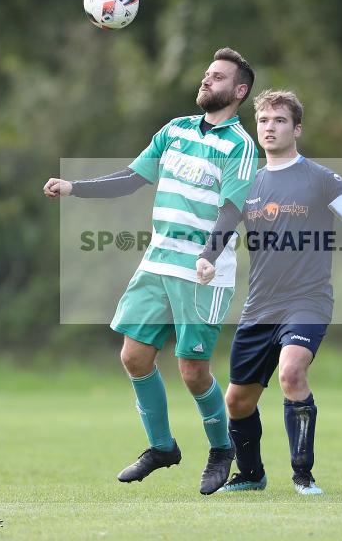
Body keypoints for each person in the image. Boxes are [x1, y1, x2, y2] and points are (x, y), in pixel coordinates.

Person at [43, 48, 258, 495]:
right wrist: (74, 188)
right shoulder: (175, 131)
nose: (206, 81)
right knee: (134, 356)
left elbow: (233, 209)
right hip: (157, 262)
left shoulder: (240, 147)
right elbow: (132, 178)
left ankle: (222, 449)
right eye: (206, 74)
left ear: (239, 91)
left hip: (202, 272)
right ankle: (162, 447)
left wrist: (210, 255)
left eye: (217, 77)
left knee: (193, 371)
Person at [195, 89, 342, 495]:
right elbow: (222, 227)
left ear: (297, 129)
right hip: (260, 307)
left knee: (292, 372)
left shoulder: (319, 179)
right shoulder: (247, 182)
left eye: (279, 121)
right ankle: (252, 475)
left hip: (307, 301)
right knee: (237, 402)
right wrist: (207, 258)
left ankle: (302, 474)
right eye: (263, 121)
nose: (270, 127)